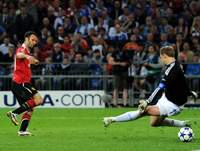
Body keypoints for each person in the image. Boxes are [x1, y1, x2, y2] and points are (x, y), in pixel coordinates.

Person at [103, 46, 197, 128]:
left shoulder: (172, 69)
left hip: (173, 104)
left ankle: (112, 119)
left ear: (165, 56)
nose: (161, 59)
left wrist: (147, 102)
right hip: (167, 97)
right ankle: (183, 124)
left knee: (143, 111)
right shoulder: (176, 65)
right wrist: (189, 92)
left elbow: (160, 87)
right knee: (154, 123)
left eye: (161, 57)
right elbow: (181, 82)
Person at [7, 31, 43, 136]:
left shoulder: (27, 52)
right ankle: (14, 113)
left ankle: (22, 131)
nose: (34, 42)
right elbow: (18, 54)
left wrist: (32, 60)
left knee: (30, 108)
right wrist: (27, 57)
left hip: (20, 83)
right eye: (32, 39)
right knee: (39, 100)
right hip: (21, 82)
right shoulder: (22, 49)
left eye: (36, 41)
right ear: (26, 38)